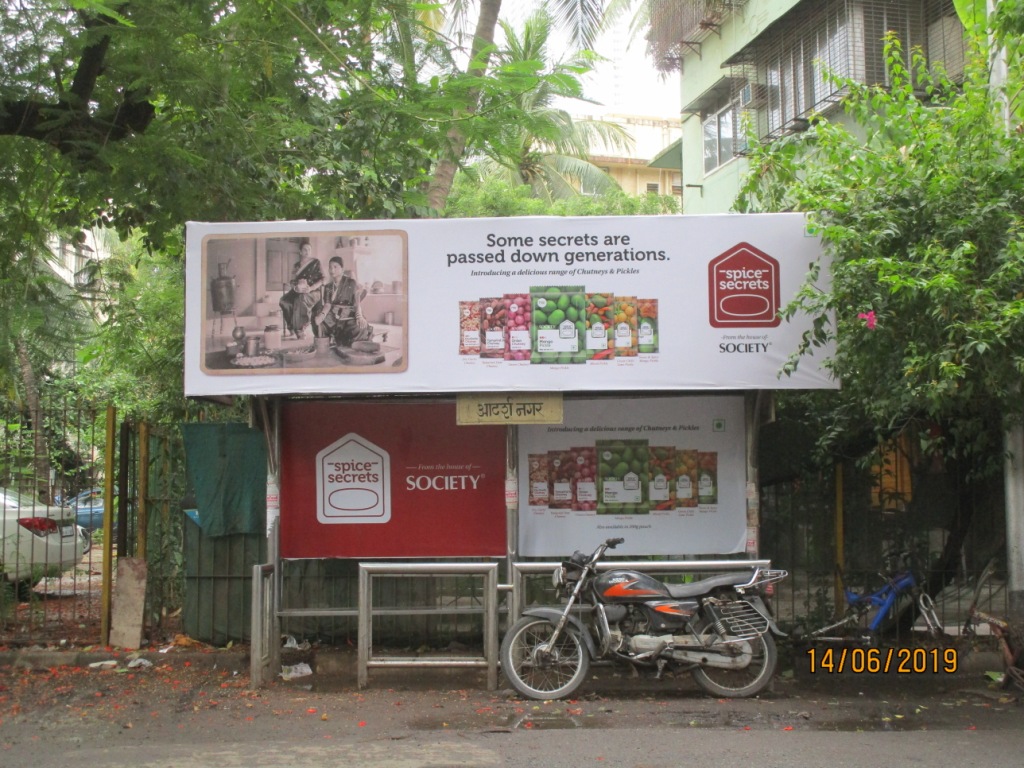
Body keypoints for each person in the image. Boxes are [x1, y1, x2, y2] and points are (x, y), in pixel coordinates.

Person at [313, 255, 373, 347]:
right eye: (330, 267)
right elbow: (327, 305)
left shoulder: (351, 283)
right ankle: (332, 340)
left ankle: (348, 342)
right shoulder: (328, 287)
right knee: (317, 317)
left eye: (335, 267)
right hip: (333, 317)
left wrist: (359, 316)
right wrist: (322, 315)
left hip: (349, 316)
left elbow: (357, 302)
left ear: (342, 269)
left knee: (359, 328)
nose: (332, 270)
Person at [278, 242, 324, 339]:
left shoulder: (316, 262)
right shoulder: (297, 266)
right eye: (305, 249)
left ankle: (300, 329)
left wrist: (311, 288)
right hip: (299, 290)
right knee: (284, 301)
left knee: (301, 298)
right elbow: (292, 281)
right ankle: (291, 327)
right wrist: (295, 288)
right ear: (300, 252)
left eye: (309, 249)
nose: (307, 252)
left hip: (313, 291)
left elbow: (323, 279)